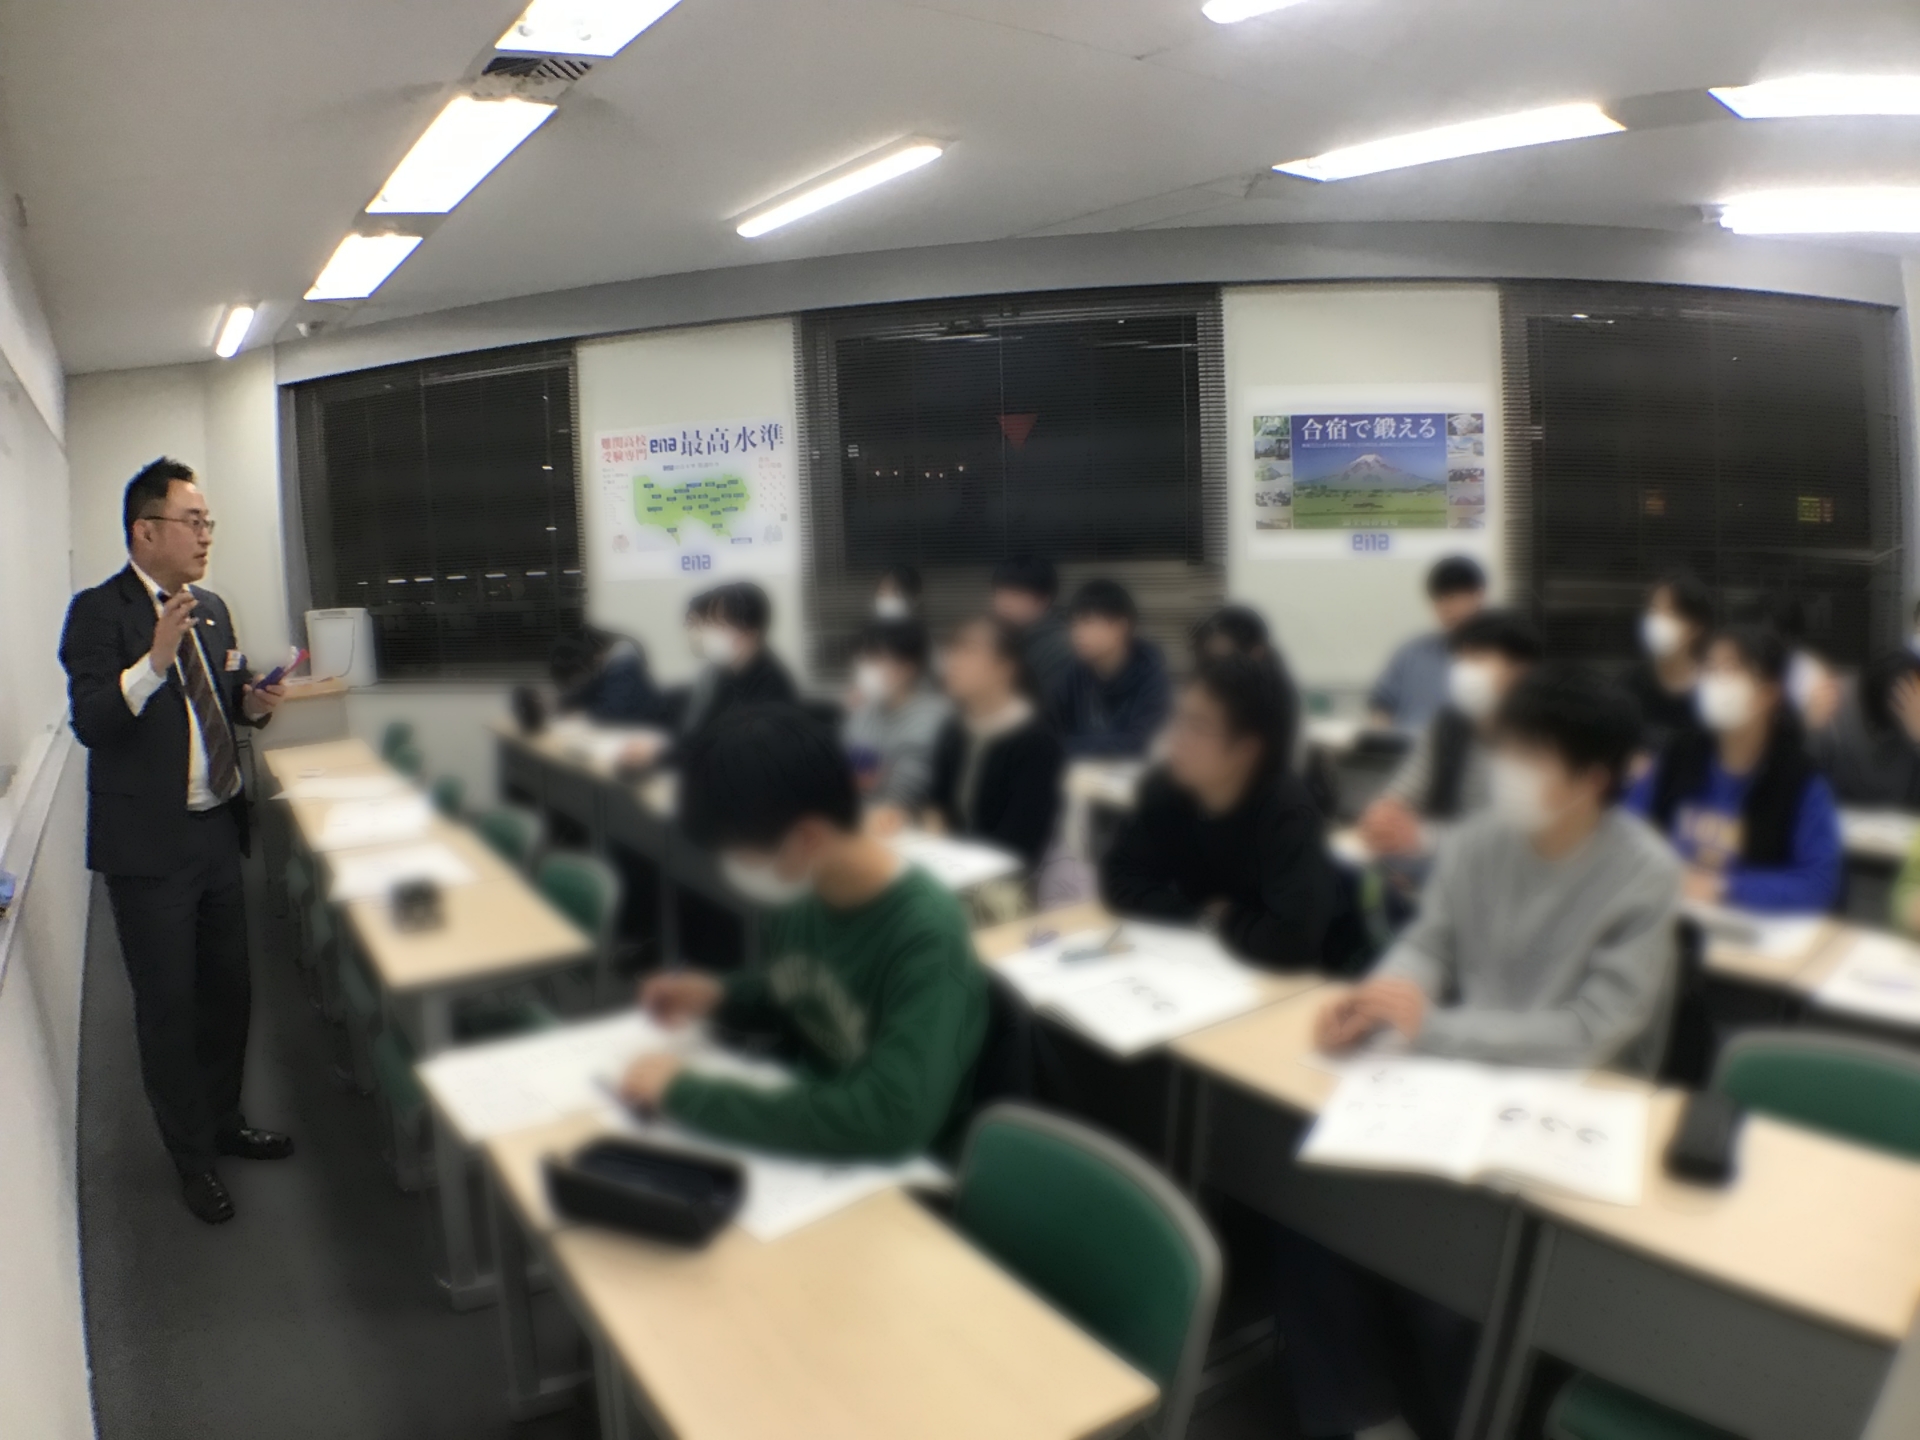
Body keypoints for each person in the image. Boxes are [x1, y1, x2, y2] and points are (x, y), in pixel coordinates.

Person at [1285, 665, 1680, 1440]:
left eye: (1529, 757)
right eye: (1505, 750)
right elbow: (1428, 945)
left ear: (1593, 780)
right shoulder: (1478, 842)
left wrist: (1430, 1029)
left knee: (1448, 1273)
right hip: (1467, 1078)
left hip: (1576, 1103)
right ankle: (1362, 1419)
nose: (1504, 771)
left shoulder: (1644, 874)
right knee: (1311, 1207)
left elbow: (1589, 1032)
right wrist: (1375, 1004)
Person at [58, 458, 293, 1225]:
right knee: (169, 1008)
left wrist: (256, 704)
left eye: (207, 523)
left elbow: (227, 698)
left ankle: (224, 1121)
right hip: (148, 851)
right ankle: (192, 1160)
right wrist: (155, 660)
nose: (205, 536)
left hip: (216, 832)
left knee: (229, 995)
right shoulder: (98, 613)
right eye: (193, 522)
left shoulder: (213, 609)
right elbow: (93, 722)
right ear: (145, 531)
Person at [617, 706, 988, 1159]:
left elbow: (892, 1117)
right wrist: (721, 995)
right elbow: (801, 987)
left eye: (740, 855)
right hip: (817, 1119)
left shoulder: (926, 934)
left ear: (807, 838)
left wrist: (688, 1095)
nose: (734, 870)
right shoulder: (807, 891)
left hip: (895, 1163)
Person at [1100, 655, 1338, 970]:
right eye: (1178, 718)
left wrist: (1215, 920)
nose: (1175, 737)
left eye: (1197, 726)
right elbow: (1118, 881)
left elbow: (1293, 939)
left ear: (1247, 750)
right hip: (1196, 965)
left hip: (1278, 983)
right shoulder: (1165, 788)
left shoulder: (1287, 812)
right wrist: (1205, 917)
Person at [1625, 626, 1842, 913]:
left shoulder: (1800, 779)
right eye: (1709, 669)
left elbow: (1819, 884)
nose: (1714, 681)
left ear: (1769, 692)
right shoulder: (1675, 757)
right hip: (1666, 917)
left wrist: (1723, 887)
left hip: (1751, 929)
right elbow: (1623, 832)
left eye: (1730, 669)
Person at [1357, 610, 1542, 861]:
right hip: (1444, 866)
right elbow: (1405, 789)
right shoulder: (1448, 726)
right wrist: (1384, 814)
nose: (1464, 672)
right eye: (1461, 660)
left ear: (1520, 670)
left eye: (1478, 658)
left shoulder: (1543, 739)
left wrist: (1425, 837)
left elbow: (1522, 837)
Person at [925, 616, 1065, 868]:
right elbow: (936, 805)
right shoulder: (953, 730)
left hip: (1003, 875)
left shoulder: (1037, 741)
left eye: (968, 652)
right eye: (951, 651)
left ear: (1005, 668)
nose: (952, 663)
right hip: (949, 863)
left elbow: (1020, 844)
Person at [626, 581, 798, 767]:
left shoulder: (769, 685)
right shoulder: (723, 673)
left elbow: (728, 750)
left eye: (716, 623)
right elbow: (700, 735)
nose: (704, 633)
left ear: (749, 631)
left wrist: (662, 755)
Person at [842, 619, 951, 821]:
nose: (864, 668)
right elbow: (839, 769)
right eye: (862, 658)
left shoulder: (934, 719)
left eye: (875, 658)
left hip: (901, 825)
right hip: (851, 815)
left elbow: (901, 798)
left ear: (907, 668)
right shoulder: (863, 709)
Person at [1052, 579, 1172, 759]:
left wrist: (1069, 746)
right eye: (1074, 624)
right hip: (1077, 770)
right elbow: (1049, 733)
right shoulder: (1073, 673)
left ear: (1121, 626)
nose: (1077, 633)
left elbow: (1141, 743)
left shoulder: (1151, 676)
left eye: (1088, 622)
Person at [1367, 556, 1487, 731]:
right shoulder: (1412, 653)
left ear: (1478, 597)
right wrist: (1382, 737)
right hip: (1407, 745)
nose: (1448, 608)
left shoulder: (1499, 657)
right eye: (1440, 599)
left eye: (1455, 598)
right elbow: (1381, 705)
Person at [1809, 649, 1920, 809]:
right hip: (1843, 815)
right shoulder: (1836, 705)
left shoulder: (1912, 731)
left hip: (1898, 819)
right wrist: (1812, 729)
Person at [1619, 572, 1714, 754]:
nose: (1659, 621)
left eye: (1670, 612)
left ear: (1697, 626)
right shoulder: (1629, 687)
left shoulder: (1715, 690)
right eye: (1654, 610)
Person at [989, 554, 1074, 713]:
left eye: (1013, 594)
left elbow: (1048, 710)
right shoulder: (1014, 636)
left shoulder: (1061, 647)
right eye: (998, 593)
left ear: (1042, 600)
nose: (1002, 604)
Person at [550, 625, 662, 724]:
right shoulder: (601, 663)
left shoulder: (625, 666)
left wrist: (582, 714)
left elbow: (614, 711)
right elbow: (584, 691)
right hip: (619, 726)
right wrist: (563, 702)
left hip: (637, 726)